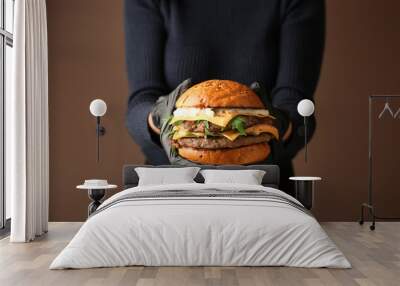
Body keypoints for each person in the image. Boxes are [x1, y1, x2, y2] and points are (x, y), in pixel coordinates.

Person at [124, 0, 325, 196]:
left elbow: (298, 106)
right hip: (166, 186)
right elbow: (141, 100)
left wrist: (276, 122)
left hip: (264, 187)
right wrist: (159, 117)